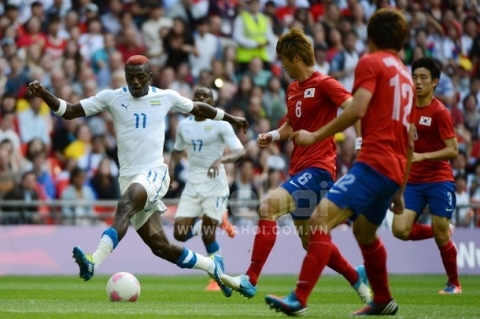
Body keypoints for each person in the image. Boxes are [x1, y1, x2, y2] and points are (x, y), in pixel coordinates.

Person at [26, 55, 249, 298]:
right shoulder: (111, 97)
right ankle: (212, 266)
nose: (135, 82)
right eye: (130, 77)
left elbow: (198, 108)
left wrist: (230, 118)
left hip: (154, 172)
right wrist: (44, 94)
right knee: (161, 247)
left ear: (150, 76)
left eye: (140, 76)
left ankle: (93, 261)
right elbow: (68, 112)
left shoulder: (165, 97)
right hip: (129, 177)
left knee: (126, 204)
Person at [264, 9, 414, 316]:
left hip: (374, 162)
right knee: (364, 232)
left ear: (371, 37)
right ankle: (383, 299)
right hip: (396, 168)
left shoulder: (370, 62)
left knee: (318, 221)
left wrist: (316, 134)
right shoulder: (406, 77)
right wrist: (400, 188)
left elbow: (356, 109)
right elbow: (410, 136)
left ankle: (299, 298)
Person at [220, 27, 371, 305]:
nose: (283, 66)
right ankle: (356, 276)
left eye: (285, 60)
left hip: (319, 168)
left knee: (267, 207)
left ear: (297, 57)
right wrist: (274, 135)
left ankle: (250, 279)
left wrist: (361, 146)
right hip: (299, 168)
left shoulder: (325, 83)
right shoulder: (293, 89)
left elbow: (354, 108)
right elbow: (293, 124)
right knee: (310, 241)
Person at [391, 57, 461, 294]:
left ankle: (454, 283)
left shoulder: (440, 112)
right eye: (415, 77)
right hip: (412, 180)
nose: (417, 82)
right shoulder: (405, 108)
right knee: (399, 230)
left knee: (441, 232)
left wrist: (422, 157)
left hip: (439, 178)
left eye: (423, 78)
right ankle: (441, 231)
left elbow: (453, 149)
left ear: (434, 82)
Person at [170, 86, 244, 292]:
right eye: (198, 96)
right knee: (179, 233)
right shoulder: (184, 125)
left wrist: (220, 160)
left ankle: (219, 279)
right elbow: (176, 151)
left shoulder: (221, 125)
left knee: (208, 235)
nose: (201, 99)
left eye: (206, 96)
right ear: (192, 101)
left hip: (215, 185)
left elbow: (239, 151)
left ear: (212, 103)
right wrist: (171, 169)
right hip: (193, 184)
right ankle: (220, 221)